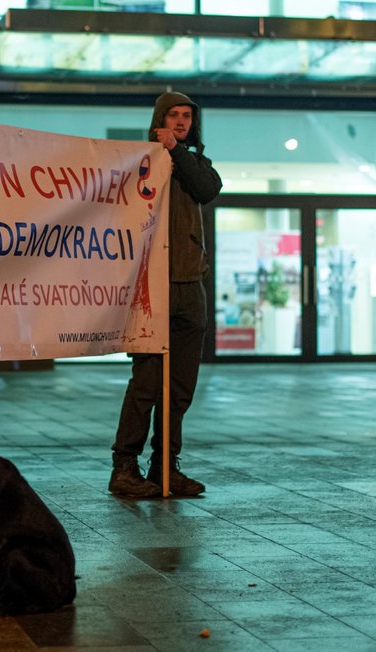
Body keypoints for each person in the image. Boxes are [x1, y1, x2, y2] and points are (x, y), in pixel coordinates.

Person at [108, 92, 222, 499]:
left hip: (191, 287)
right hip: (152, 287)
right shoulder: (141, 162)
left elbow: (208, 189)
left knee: (180, 388)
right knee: (147, 383)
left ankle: (165, 467)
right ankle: (124, 466)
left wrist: (179, 153)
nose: (180, 122)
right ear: (159, 118)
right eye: (172, 115)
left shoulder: (194, 164)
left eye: (187, 116)